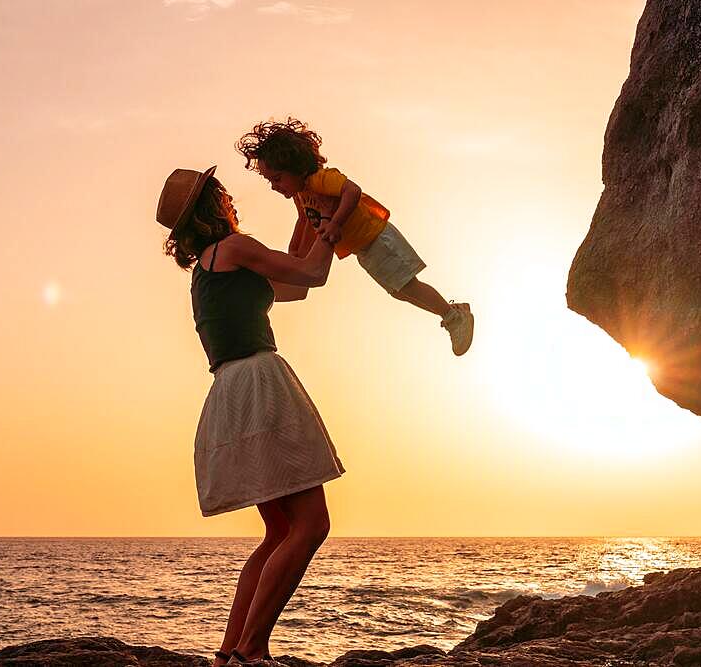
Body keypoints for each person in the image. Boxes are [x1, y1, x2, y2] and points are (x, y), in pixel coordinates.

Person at [157, 165, 342, 665]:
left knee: (280, 530)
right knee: (310, 525)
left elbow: (294, 283)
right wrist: (331, 221)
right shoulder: (235, 247)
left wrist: (305, 215)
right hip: (260, 386)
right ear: (214, 204)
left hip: (229, 393)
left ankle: (229, 652)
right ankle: (253, 648)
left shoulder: (207, 269)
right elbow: (313, 273)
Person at [236, 117, 476, 356]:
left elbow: (352, 191)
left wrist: (335, 222)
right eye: (270, 181)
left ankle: (453, 317)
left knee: (408, 285)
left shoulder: (320, 180)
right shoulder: (303, 194)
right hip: (364, 248)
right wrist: (294, 255)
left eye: (277, 178)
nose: (274, 186)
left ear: (297, 167)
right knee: (400, 291)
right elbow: (303, 220)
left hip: (377, 238)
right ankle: (451, 311)